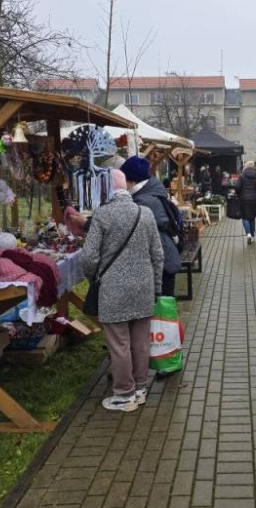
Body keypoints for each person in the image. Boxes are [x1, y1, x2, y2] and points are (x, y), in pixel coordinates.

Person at [81, 169, 164, 412]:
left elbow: (89, 257)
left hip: (113, 289)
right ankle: (140, 388)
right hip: (144, 287)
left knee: (119, 344)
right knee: (141, 342)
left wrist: (94, 277)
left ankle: (124, 393)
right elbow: (157, 255)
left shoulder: (102, 215)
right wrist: (157, 287)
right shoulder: (145, 213)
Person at [121, 156, 182, 297]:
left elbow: (123, 226)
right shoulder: (151, 193)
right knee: (162, 306)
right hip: (164, 260)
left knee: (161, 307)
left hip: (161, 265)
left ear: (132, 180)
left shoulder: (144, 201)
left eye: (124, 180)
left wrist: (87, 223)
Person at [236, 161, 256, 244]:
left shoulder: (242, 176)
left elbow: (237, 187)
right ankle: (252, 236)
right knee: (252, 218)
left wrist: (239, 195)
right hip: (255, 201)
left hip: (244, 200)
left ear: (246, 167)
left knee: (245, 217)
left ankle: (248, 234)